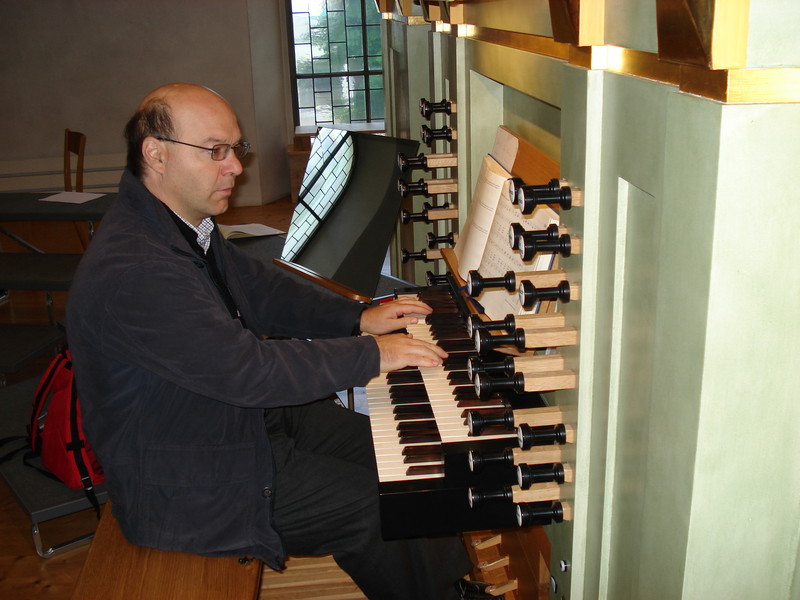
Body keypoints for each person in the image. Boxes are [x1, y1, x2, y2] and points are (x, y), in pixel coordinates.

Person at [66, 83, 478, 600]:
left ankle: (448, 585)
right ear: (157, 154)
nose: (236, 166)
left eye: (235, 148)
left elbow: (260, 290)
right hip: (188, 479)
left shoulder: (178, 225)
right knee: (371, 506)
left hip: (230, 423)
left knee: (406, 453)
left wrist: (358, 319)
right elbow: (248, 370)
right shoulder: (136, 268)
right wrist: (371, 354)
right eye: (216, 150)